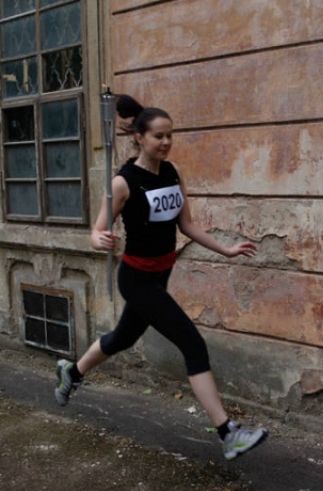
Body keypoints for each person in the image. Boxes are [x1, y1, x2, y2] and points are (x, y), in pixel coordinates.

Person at [54, 95, 269, 460]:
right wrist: (100, 239)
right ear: (139, 137)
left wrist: (226, 250)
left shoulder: (171, 173)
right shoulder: (124, 182)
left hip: (161, 272)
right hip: (137, 278)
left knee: (122, 337)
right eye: (158, 136)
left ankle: (72, 373)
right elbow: (97, 228)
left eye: (170, 135)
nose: (166, 142)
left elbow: (187, 225)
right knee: (193, 344)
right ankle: (227, 432)